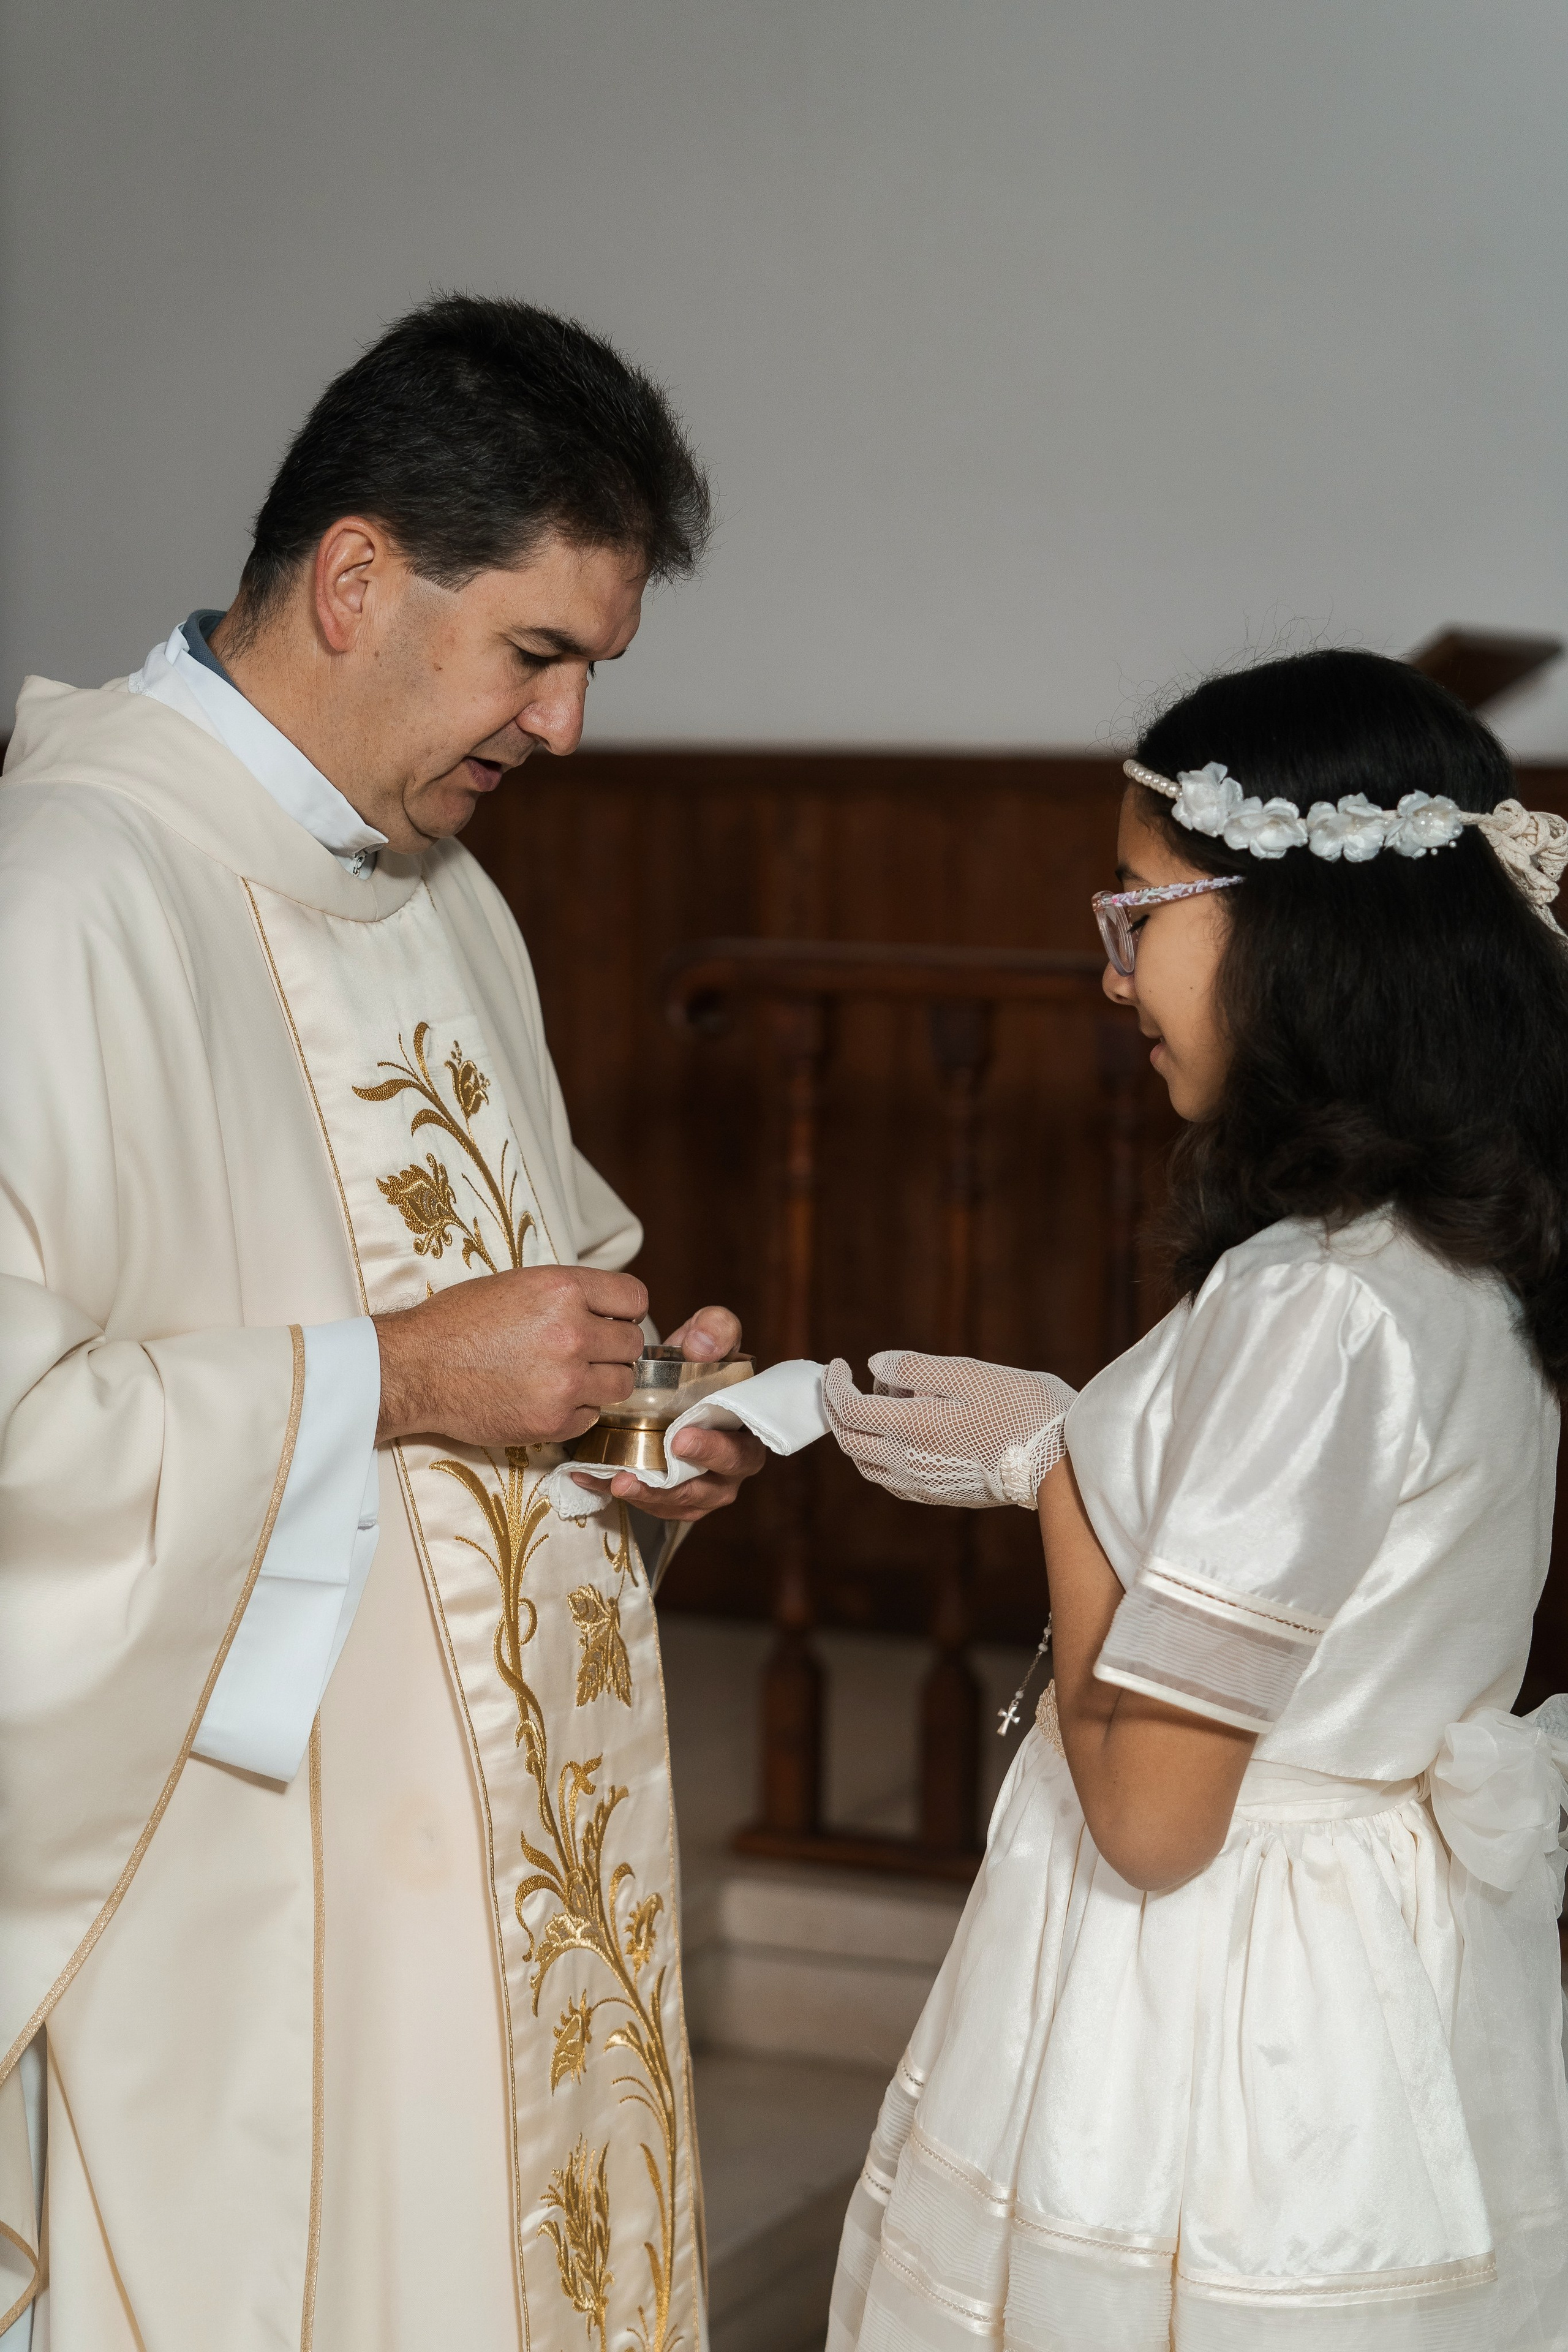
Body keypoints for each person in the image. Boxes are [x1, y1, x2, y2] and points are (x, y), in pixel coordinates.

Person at [0, 296, 767, 2352]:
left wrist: (636, 1415)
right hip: (258, 1919)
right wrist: (416, 1376)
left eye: (593, 671)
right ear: (356, 579)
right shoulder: (66, 895)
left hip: (501, 1884)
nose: (567, 729)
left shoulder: (441, 895)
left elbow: (538, 1284)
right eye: (536, 654)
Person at [823, 649, 1568, 2351]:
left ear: (1297, 929)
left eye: (1139, 909)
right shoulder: (1462, 1251)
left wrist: (1055, 1476)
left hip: (1227, 2014)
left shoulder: (1319, 1306)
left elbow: (1155, 1821)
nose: (1112, 973)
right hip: (1379, 1972)